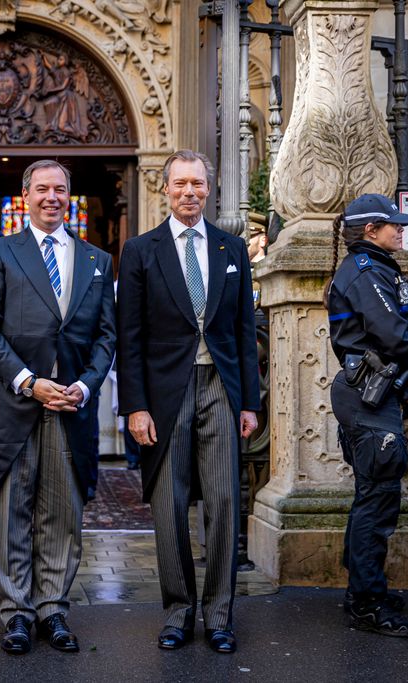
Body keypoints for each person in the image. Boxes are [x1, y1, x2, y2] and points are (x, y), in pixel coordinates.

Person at [116, 149, 260, 655]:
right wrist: (134, 406)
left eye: (198, 183)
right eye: (180, 184)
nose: (189, 192)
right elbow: (128, 336)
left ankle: (219, 616)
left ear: (209, 188)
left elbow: (243, 330)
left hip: (220, 386)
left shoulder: (231, 249)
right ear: (166, 189)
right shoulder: (140, 250)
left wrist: (250, 402)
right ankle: (178, 613)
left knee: (224, 503)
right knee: (170, 505)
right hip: (164, 394)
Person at [0, 160, 116, 655]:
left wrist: (84, 385)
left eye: (60, 190)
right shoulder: (0, 254)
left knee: (62, 513)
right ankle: (16, 613)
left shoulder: (97, 260)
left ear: (70, 196)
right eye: (42, 189)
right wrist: (28, 381)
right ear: (25, 195)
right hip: (14, 402)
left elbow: (105, 336)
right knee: (11, 511)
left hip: (70, 407)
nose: (51, 197)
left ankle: (53, 609)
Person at [325, 193, 408, 638]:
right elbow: (390, 332)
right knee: (377, 499)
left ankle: (364, 591)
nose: (401, 228)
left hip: (372, 395)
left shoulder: (371, 268)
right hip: (367, 398)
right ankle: (367, 604)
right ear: (370, 230)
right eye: (394, 224)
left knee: (372, 496)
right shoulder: (365, 272)